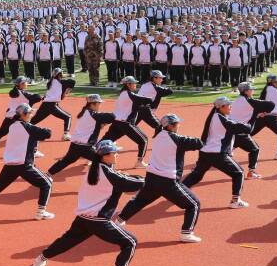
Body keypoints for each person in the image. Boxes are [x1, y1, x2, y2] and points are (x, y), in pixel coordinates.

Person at [31, 140, 142, 266]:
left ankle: (40, 259)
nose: (117, 154)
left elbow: (121, 180)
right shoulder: (108, 173)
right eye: (114, 152)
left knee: (66, 242)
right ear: (105, 156)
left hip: (83, 217)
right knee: (130, 242)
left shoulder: (94, 169)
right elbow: (132, 184)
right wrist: (150, 179)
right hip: (98, 220)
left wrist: (131, 178)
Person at [118, 114, 203, 242]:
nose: (179, 125)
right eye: (177, 123)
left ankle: (119, 221)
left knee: (139, 201)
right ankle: (186, 233)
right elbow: (199, 143)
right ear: (171, 126)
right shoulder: (176, 139)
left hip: (152, 178)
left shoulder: (158, 135)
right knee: (194, 204)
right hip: (168, 182)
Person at [0, 103, 54, 219]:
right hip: (24, 164)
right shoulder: (27, 127)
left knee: (0, 184)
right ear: (23, 115)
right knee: (46, 183)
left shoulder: (13, 125)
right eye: (30, 113)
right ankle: (41, 212)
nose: (31, 115)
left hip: (11, 163)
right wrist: (47, 129)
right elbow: (47, 134)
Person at [182, 97, 250, 208]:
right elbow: (237, 127)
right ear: (221, 107)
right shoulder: (221, 118)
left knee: (197, 175)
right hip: (216, 153)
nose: (230, 107)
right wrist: (249, 124)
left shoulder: (216, 116)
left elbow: (233, 125)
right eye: (228, 105)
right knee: (239, 173)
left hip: (205, 152)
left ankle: (181, 191)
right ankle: (235, 201)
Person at [47, 94, 115, 176]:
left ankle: (48, 174)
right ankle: (111, 177)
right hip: (86, 147)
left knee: (65, 161)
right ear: (93, 104)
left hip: (75, 145)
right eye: (99, 103)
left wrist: (102, 124)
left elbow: (94, 125)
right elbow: (111, 117)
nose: (99, 105)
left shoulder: (83, 113)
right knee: (107, 160)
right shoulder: (94, 115)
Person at [100, 76, 152, 167]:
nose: (135, 84)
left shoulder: (123, 93)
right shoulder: (129, 94)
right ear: (128, 84)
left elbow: (136, 104)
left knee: (107, 140)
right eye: (134, 83)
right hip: (125, 123)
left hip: (117, 122)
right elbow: (146, 100)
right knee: (144, 140)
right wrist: (151, 98)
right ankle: (139, 162)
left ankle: (92, 154)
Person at [228, 82, 275, 179]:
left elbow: (245, 112)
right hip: (242, 132)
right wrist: (264, 112)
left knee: (223, 151)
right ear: (246, 91)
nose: (252, 91)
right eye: (251, 89)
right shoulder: (251, 101)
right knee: (255, 149)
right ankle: (251, 172)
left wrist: (256, 113)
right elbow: (271, 104)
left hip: (231, 131)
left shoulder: (237, 100)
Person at [0, 76, 41, 153]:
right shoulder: (24, 93)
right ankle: (34, 152)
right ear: (21, 84)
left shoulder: (14, 92)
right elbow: (37, 97)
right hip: (20, 117)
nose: (27, 83)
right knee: (31, 132)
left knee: (1, 132)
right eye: (25, 82)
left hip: (10, 115)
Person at [31, 67, 75, 140]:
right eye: (62, 74)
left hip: (45, 104)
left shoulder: (50, 82)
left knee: (33, 121)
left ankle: (21, 129)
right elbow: (72, 82)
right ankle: (66, 134)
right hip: (52, 105)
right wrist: (67, 90)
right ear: (59, 75)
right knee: (68, 117)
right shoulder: (62, 82)